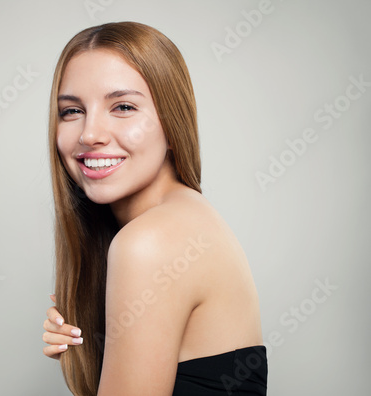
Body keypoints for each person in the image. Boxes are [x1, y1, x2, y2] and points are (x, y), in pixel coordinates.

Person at [42, 21, 268, 395]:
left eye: (124, 106)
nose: (89, 133)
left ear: (171, 122)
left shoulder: (151, 243)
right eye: (71, 111)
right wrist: (90, 343)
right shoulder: (185, 217)